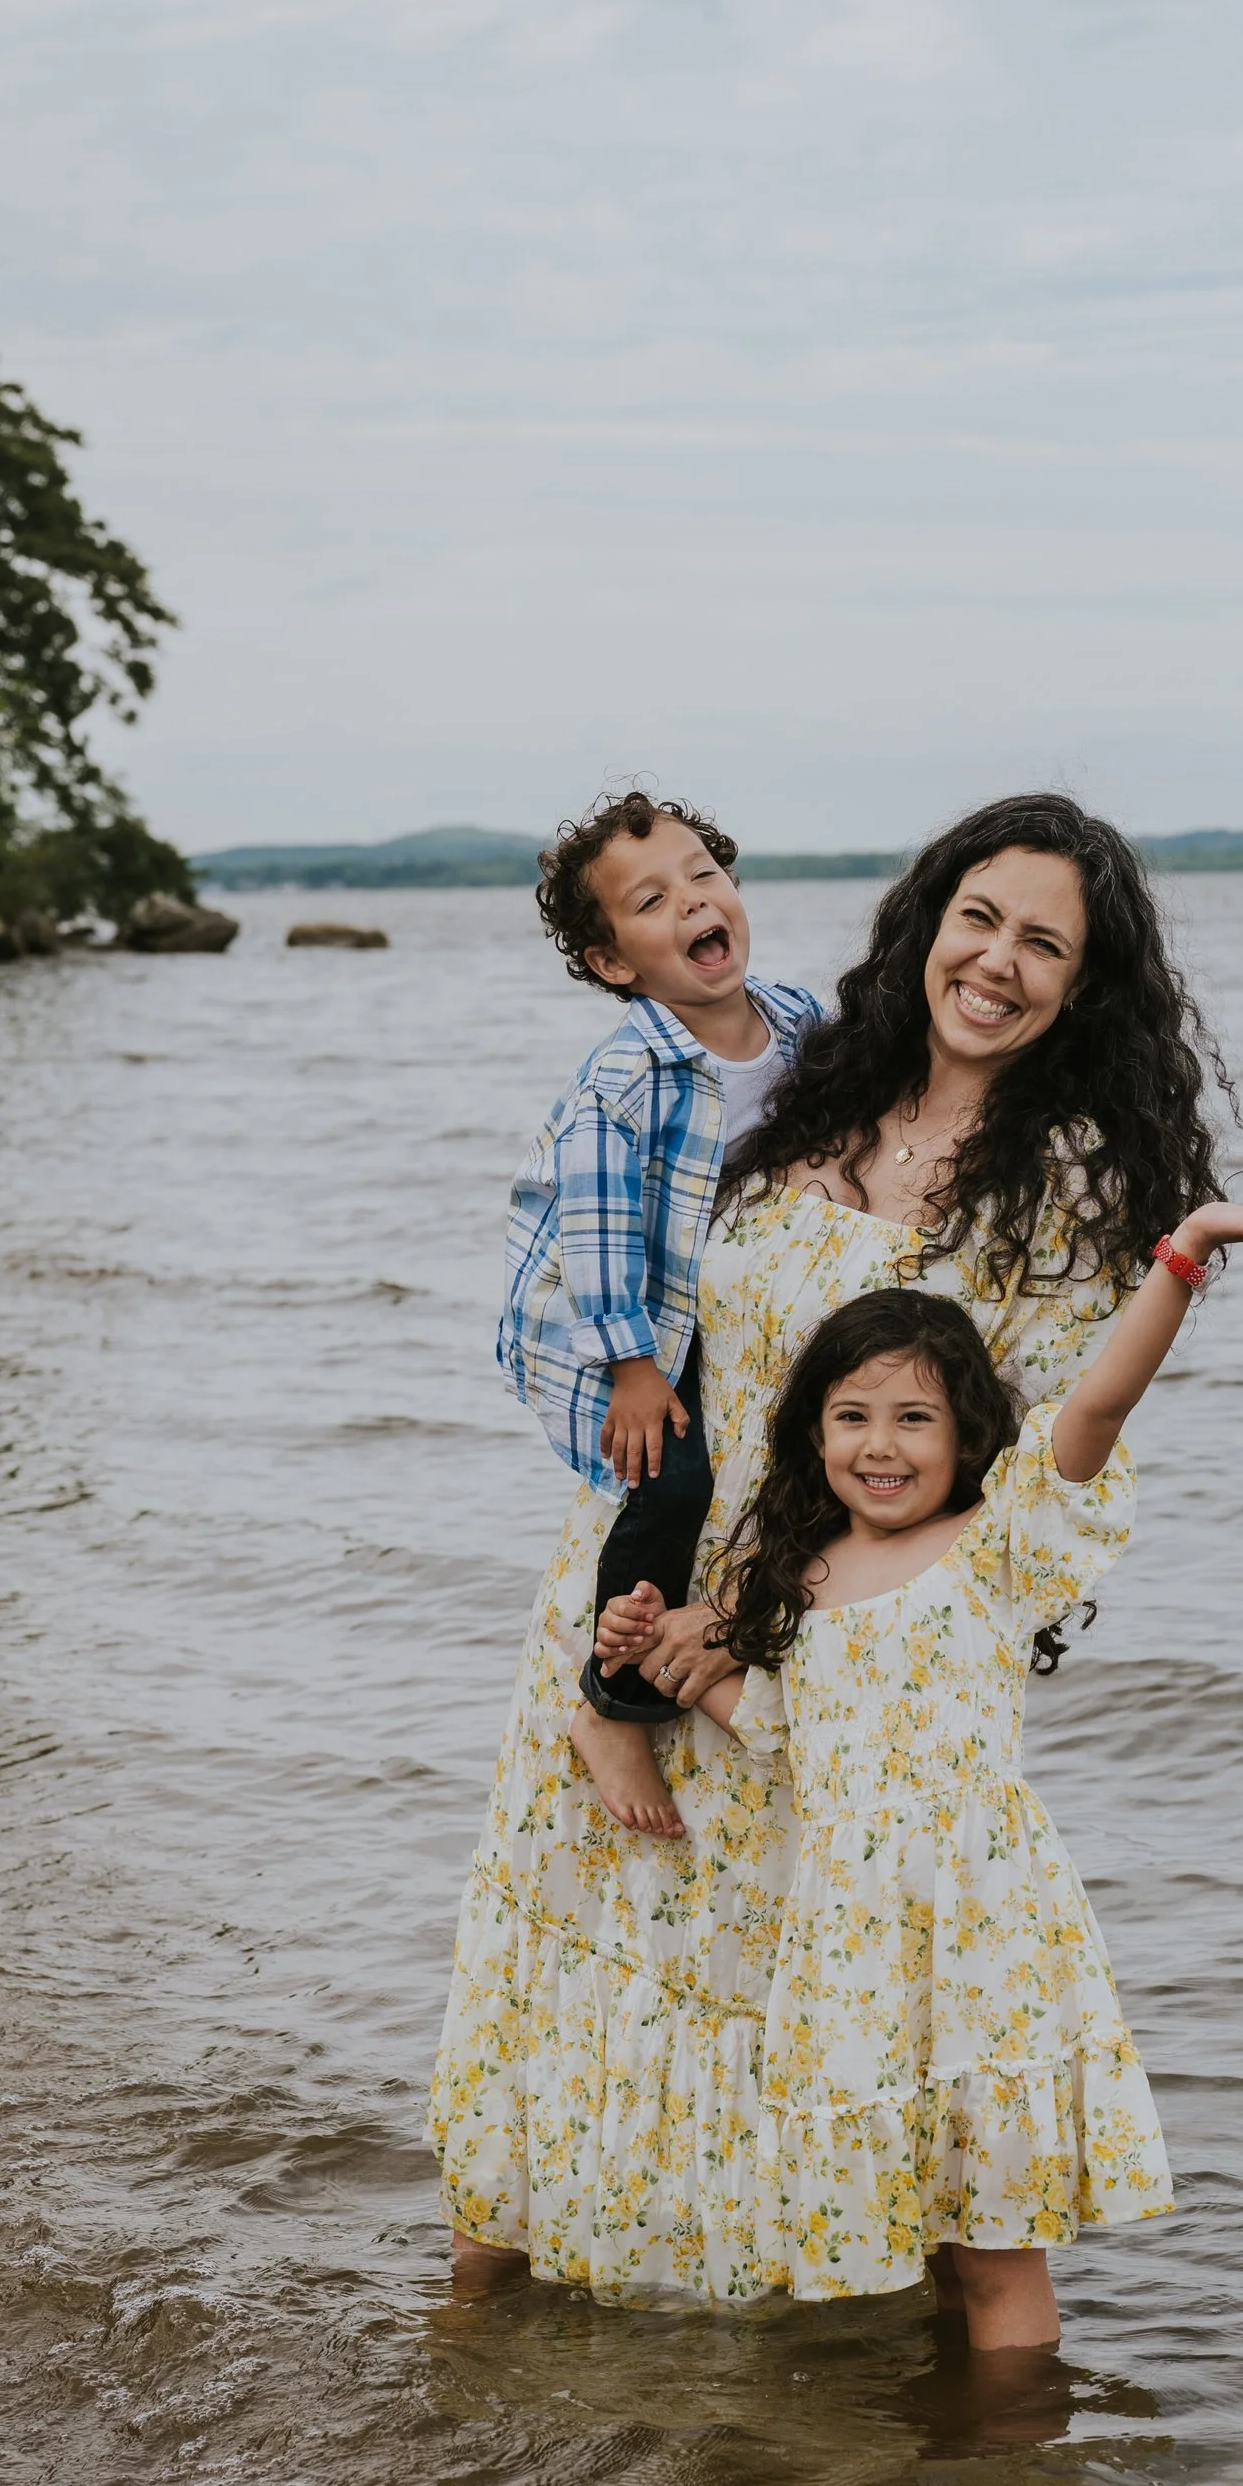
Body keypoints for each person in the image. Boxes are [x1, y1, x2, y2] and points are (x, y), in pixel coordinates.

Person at [434, 792, 1241, 2307]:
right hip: (639, 1590)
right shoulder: (813, 1081)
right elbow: (620, 1278)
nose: (997, 961)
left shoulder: (1065, 1184)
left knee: (848, 2032)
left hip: (820, 1653)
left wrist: (775, 1619)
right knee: (575, 2000)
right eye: (979, 918)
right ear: (929, 920)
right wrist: (633, 1636)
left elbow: (1042, 1469)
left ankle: (875, 2435)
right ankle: (471, 2374)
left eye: (1044, 943)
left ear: (1087, 981)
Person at [595, 1218, 1243, 2351]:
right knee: (921, 2223)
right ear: (812, 1434)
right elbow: (784, 1732)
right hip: (850, 1941)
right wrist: (653, 1658)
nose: (880, 1447)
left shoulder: (993, 1548)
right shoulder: (797, 1576)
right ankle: (946, 2448)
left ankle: (1012, 2465)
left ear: (966, 1433)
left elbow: (1094, 1409)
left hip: (979, 1930)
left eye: (914, 1418)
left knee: (994, 2243)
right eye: (851, 1417)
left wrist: (1183, 1253)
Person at [496, 788, 822, 1839]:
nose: (691, 903)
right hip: (609, 1313)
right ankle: (610, 1698)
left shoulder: (799, 1020)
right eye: (651, 900)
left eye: (703, 877)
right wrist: (633, 1369)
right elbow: (595, 1233)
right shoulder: (626, 1073)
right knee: (667, 1472)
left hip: (697, 1294)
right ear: (612, 962)